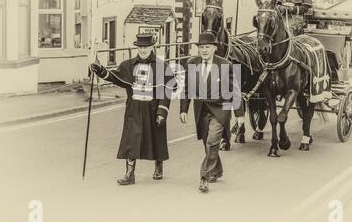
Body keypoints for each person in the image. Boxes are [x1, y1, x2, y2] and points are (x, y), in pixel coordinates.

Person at [90, 34, 175, 185]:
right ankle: (130, 174)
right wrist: (100, 70)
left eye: (146, 47)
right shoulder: (127, 65)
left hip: (154, 107)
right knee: (131, 140)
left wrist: (162, 110)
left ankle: (159, 166)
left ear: (152, 47)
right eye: (140, 47)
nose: (143, 50)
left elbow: (167, 89)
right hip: (134, 108)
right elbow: (115, 77)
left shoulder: (162, 66)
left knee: (157, 137)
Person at [179, 32, 244, 193]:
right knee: (208, 143)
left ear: (215, 48)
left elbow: (235, 90)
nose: (204, 50)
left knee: (212, 142)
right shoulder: (191, 63)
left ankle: (204, 177)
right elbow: (186, 89)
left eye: (207, 47)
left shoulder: (225, 65)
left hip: (220, 109)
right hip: (201, 110)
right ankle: (217, 170)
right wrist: (183, 109)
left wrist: (239, 114)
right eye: (201, 47)